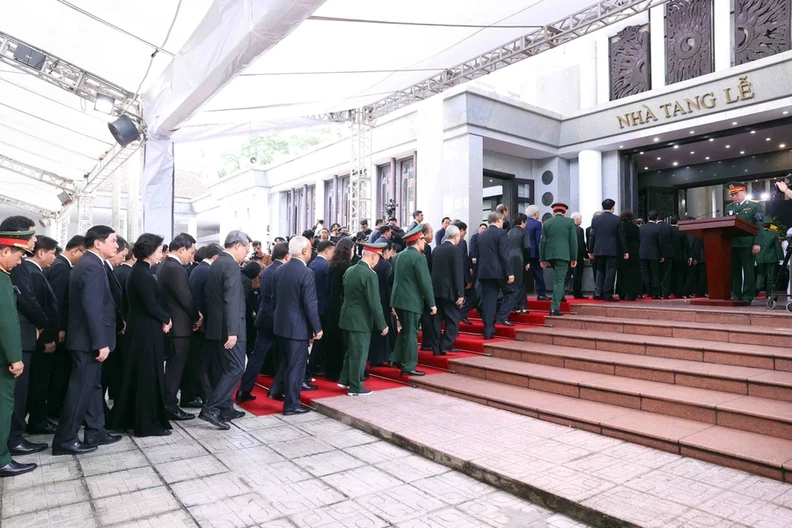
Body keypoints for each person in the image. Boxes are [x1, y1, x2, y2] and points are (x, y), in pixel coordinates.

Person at [53, 225, 122, 456]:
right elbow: (92, 308)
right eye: (112, 241)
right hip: (87, 341)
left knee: (93, 387)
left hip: (87, 338)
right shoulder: (91, 266)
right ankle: (65, 440)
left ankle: (96, 431)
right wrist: (100, 342)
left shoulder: (94, 263)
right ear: (97, 243)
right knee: (80, 389)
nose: (116, 245)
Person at [109, 234, 173, 437]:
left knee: (141, 374)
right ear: (150, 251)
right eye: (160, 249)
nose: (161, 253)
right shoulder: (141, 274)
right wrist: (166, 319)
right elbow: (150, 304)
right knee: (147, 375)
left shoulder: (142, 271)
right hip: (145, 331)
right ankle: (147, 423)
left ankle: (136, 418)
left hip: (143, 328)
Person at [199, 231, 251, 430]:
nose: (245, 255)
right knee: (237, 367)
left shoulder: (217, 262)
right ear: (238, 245)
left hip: (216, 327)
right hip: (230, 328)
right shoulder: (230, 265)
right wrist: (233, 331)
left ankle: (226, 407)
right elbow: (231, 300)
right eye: (245, 250)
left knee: (223, 368)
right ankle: (211, 408)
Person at [0, 227, 38, 476]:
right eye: (18, 254)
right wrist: (15, 357)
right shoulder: (2, 279)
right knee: (4, 407)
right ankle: (2, 459)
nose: (20, 260)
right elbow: (6, 322)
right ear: (4, 251)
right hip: (3, 359)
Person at [272, 236, 322, 415]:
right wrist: (317, 327)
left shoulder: (280, 269)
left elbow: (274, 300)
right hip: (297, 328)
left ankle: (276, 391)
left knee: (286, 361)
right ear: (304, 251)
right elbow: (310, 303)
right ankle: (291, 404)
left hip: (280, 325)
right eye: (309, 249)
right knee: (297, 366)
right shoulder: (306, 273)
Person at [18, 235, 59, 441]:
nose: (54, 257)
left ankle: (39, 419)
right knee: (37, 383)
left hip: (41, 337)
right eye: (52, 253)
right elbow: (36, 308)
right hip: (39, 339)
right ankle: (36, 422)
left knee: (40, 382)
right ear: (41, 252)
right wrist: (46, 338)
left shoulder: (36, 272)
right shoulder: (32, 273)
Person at [157, 233, 201, 421]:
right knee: (175, 369)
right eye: (191, 252)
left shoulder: (164, 265)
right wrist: (196, 316)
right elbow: (185, 298)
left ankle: (174, 402)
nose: (191, 257)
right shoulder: (175, 268)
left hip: (174, 325)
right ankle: (169, 406)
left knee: (176, 367)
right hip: (179, 328)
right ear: (182, 249)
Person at [239, 243, 289, 402]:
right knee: (288, 355)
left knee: (257, 357)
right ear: (287, 256)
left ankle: (244, 390)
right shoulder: (281, 271)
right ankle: (275, 389)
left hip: (264, 318)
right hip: (277, 320)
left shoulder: (267, 271)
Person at [338, 243, 388, 396]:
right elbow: (374, 303)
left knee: (350, 351)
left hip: (346, 316)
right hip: (360, 320)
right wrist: (382, 325)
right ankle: (355, 386)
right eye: (378, 257)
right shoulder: (369, 275)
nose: (378, 261)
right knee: (359, 352)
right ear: (373, 256)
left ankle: (345, 380)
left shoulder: (350, 270)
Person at [45, 234, 85, 420]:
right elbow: (57, 302)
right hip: (60, 330)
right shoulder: (61, 268)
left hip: (62, 328)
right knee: (59, 372)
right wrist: (59, 329)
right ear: (76, 250)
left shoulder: (64, 266)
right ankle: (54, 409)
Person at [390, 224, 436, 376]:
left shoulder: (398, 256)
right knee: (411, 333)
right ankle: (409, 365)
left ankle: (395, 358)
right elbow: (425, 282)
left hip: (398, 300)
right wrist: (432, 304)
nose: (424, 243)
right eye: (423, 240)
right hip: (411, 301)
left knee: (404, 330)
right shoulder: (419, 257)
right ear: (417, 240)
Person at [185, 243, 222, 408]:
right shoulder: (208, 271)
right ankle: (203, 395)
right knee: (204, 363)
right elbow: (209, 301)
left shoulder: (197, 269)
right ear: (215, 258)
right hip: (204, 323)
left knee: (197, 361)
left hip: (198, 322)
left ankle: (193, 394)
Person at [476, 212, 515, 339]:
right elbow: (504, 255)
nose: (503, 222)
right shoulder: (502, 233)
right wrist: (509, 273)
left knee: (488, 301)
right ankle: (501, 317)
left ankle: (488, 330)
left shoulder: (481, 235)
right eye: (502, 220)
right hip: (498, 272)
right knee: (512, 292)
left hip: (484, 272)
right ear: (498, 220)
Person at [101, 236, 127, 412]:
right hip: (105, 332)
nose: (123, 259)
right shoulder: (100, 269)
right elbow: (107, 303)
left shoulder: (109, 270)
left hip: (112, 330)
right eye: (122, 254)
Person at [725, 182, 763, 303]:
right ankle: (736, 295)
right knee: (735, 271)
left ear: (744, 192)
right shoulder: (729, 207)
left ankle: (747, 296)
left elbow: (759, 225)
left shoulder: (754, 206)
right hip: (733, 243)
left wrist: (757, 243)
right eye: (732, 195)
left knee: (748, 271)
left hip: (747, 243)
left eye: (736, 194)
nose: (734, 197)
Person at [324, 238, 354, 382]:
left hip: (332, 302)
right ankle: (340, 371)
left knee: (333, 337)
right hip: (341, 303)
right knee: (341, 338)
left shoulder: (333, 264)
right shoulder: (346, 266)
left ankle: (330, 369)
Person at [540, 203, 578, 316]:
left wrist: (542, 258)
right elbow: (573, 242)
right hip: (563, 255)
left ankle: (560, 296)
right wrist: (574, 257)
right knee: (559, 280)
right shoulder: (570, 222)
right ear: (564, 212)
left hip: (550, 255)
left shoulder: (546, 223)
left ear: (553, 212)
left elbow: (542, 242)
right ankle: (554, 308)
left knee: (558, 279)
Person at [431, 225, 464, 355]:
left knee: (437, 320)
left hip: (436, 290)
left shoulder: (436, 249)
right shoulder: (455, 250)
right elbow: (457, 273)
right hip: (449, 291)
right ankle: (446, 344)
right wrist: (460, 293)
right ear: (456, 236)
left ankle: (436, 347)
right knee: (454, 319)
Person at [588, 199, 627, 302]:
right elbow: (621, 236)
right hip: (612, 250)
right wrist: (625, 251)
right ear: (613, 207)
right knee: (610, 271)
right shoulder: (617, 219)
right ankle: (608, 294)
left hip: (598, 249)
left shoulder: (595, 219)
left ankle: (598, 291)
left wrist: (590, 250)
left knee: (600, 270)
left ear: (602, 207)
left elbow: (592, 235)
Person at [307, 240, 334, 380]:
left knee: (317, 339)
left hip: (313, 305)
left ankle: (313, 365)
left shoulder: (312, 263)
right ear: (328, 250)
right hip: (323, 307)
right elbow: (328, 288)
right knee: (321, 339)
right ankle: (316, 366)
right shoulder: (325, 266)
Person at [368, 243, 397, 366]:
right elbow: (389, 286)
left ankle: (374, 358)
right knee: (385, 329)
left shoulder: (371, 266)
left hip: (372, 302)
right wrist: (392, 305)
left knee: (375, 330)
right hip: (384, 302)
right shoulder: (387, 266)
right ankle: (385, 357)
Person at [419, 223, 438, 353]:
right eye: (431, 233)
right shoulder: (426, 248)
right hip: (422, 289)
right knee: (426, 316)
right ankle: (427, 342)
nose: (432, 236)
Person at [617, 210, 641, 301]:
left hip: (622, 252)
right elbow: (638, 240)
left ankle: (622, 293)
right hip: (633, 253)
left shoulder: (620, 226)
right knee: (633, 274)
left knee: (622, 272)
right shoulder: (635, 227)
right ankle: (631, 293)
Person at [507, 213, 530, 311]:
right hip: (520, 258)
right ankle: (521, 305)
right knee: (521, 282)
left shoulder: (509, 232)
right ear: (522, 222)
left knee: (512, 282)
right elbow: (527, 247)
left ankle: (511, 304)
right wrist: (527, 262)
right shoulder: (524, 232)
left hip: (509, 259)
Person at [639, 211, 663, 299]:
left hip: (642, 253)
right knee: (655, 274)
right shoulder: (658, 228)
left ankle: (642, 292)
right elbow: (660, 243)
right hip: (654, 254)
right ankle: (655, 293)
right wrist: (661, 255)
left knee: (644, 274)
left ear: (648, 218)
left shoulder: (641, 228)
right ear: (657, 218)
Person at [525, 205, 547, 301]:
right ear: (535, 213)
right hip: (534, 253)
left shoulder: (524, 223)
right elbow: (539, 240)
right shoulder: (537, 224)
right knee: (538, 273)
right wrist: (542, 255)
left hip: (525, 252)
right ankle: (541, 293)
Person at [756, 224, 783, 299]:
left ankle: (758, 287)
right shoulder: (773, 234)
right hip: (771, 258)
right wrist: (781, 257)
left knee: (760, 274)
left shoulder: (757, 234)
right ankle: (769, 294)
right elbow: (777, 247)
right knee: (771, 277)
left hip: (759, 258)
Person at [669, 216, 689, 298]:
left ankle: (669, 292)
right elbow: (686, 245)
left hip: (668, 256)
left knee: (669, 275)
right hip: (679, 257)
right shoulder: (681, 231)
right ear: (678, 222)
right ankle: (678, 293)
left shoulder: (667, 231)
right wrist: (689, 256)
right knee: (679, 276)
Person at [570, 213, 588, 299]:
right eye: (580, 219)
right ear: (577, 220)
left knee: (567, 275)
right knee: (577, 275)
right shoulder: (579, 230)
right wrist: (586, 254)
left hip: (567, 255)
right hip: (577, 256)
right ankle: (577, 293)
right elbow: (581, 244)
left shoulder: (567, 228)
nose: (581, 221)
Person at [657, 216, 675, 299]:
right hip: (668, 252)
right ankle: (666, 293)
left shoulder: (655, 227)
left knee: (657, 273)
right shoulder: (669, 227)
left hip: (657, 253)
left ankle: (658, 292)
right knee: (667, 273)